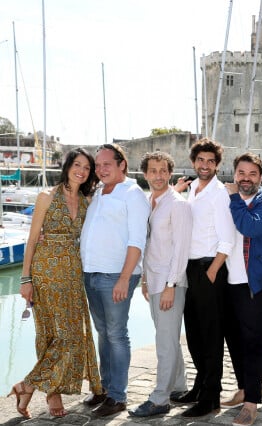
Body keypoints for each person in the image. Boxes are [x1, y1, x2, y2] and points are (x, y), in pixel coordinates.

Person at [8, 148, 101, 419]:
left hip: (73, 274)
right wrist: (26, 279)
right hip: (45, 273)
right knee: (51, 334)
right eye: (77, 165)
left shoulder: (87, 201)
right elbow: (32, 238)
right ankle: (52, 393)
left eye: (86, 167)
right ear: (68, 166)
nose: (81, 170)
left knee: (73, 337)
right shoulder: (46, 197)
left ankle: (26, 386)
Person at [80, 143, 150, 417]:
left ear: (122, 164)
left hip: (116, 275)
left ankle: (118, 396)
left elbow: (136, 241)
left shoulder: (132, 194)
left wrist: (124, 278)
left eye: (107, 163)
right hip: (92, 272)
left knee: (117, 335)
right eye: (98, 165)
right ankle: (105, 388)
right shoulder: (98, 191)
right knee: (103, 333)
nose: (100, 169)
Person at [170, 138, 236, 418]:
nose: (205, 165)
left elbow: (228, 237)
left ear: (217, 165)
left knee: (210, 336)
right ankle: (200, 386)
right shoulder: (194, 189)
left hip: (210, 268)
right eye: (201, 160)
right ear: (194, 162)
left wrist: (212, 270)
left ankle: (211, 398)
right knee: (195, 333)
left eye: (211, 161)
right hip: (192, 268)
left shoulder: (219, 193)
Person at [128, 152, 193, 417]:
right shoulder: (148, 202)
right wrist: (145, 279)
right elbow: (148, 245)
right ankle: (178, 387)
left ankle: (160, 399)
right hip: (153, 280)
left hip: (170, 282)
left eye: (163, 170)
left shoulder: (178, 205)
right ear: (145, 174)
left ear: (169, 172)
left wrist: (171, 285)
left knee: (164, 343)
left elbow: (181, 249)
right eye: (152, 170)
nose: (158, 175)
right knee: (168, 340)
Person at [220, 152, 262, 426]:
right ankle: (243, 388)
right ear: (235, 175)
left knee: (254, 342)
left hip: (256, 284)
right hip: (230, 281)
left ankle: (251, 402)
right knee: (234, 339)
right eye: (241, 173)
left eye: (252, 174)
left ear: (260, 177)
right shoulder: (225, 199)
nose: (246, 178)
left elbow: (249, 228)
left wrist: (233, 198)